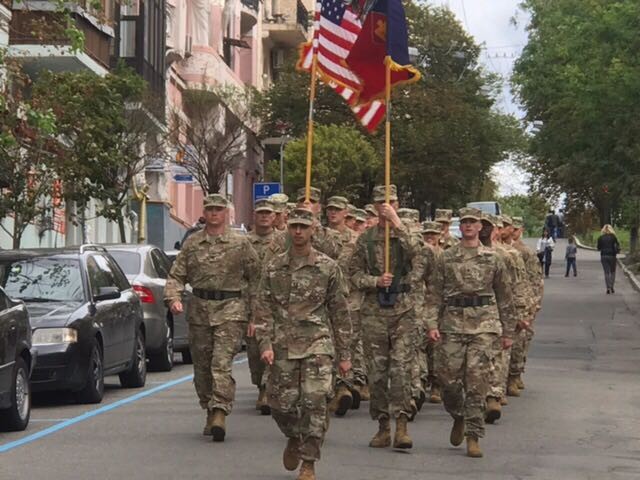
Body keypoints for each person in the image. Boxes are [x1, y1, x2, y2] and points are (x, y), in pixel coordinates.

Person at [254, 207, 352, 480]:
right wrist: (265, 344)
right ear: (288, 228)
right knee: (279, 406)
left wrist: (345, 355)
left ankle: (309, 461)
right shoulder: (274, 266)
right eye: (294, 226)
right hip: (283, 344)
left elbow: (339, 313)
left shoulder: (327, 267)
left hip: (317, 344)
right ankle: (295, 437)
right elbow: (262, 309)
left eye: (303, 227)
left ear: (313, 231)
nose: (298, 231)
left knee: (315, 401)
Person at [164, 194, 260, 442]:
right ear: (205, 213)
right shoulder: (193, 243)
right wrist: (173, 298)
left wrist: (255, 314)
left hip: (231, 309)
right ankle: (209, 405)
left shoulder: (241, 243)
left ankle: (220, 411)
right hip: (200, 310)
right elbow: (176, 276)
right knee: (203, 367)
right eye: (210, 209)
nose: (214, 213)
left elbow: (256, 279)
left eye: (219, 209)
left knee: (221, 362)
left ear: (226, 213)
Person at [426, 207, 515, 458]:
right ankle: (459, 415)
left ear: (480, 227)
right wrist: (431, 324)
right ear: (459, 226)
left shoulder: (493, 258)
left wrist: (508, 331)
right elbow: (433, 294)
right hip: (452, 324)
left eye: (472, 222)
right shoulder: (446, 257)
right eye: (463, 222)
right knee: (448, 382)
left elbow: (504, 296)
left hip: (484, 326)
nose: (467, 226)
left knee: (477, 382)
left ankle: (474, 435)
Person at [348, 185, 424, 450]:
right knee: (377, 373)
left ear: (397, 202)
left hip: (403, 309)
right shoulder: (366, 239)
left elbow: (422, 258)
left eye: (389, 201)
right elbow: (354, 275)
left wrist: (397, 223)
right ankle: (382, 425)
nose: (384, 206)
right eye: (380, 202)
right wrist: (375, 280)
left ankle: (402, 425)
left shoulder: (408, 234)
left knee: (401, 369)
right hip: (374, 311)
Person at [246, 198, 286, 414]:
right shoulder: (244, 242)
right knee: (255, 350)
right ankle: (260, 383)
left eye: (268, 213)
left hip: (278, 301)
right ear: (255, 215)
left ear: (274, 217)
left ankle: (267, 389)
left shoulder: (283, 241)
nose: (264, 216)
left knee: (275, 346)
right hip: (251, 301)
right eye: (260, 213)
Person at [597, 224, 621, 294]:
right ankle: (612, 287)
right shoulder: (614, 237)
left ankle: (608, 288)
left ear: (603, 230)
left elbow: (598, 248)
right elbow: (618, 246)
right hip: (612, 256)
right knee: (613, 272)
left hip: (604, 256)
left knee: (606, 272)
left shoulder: (600, 238)